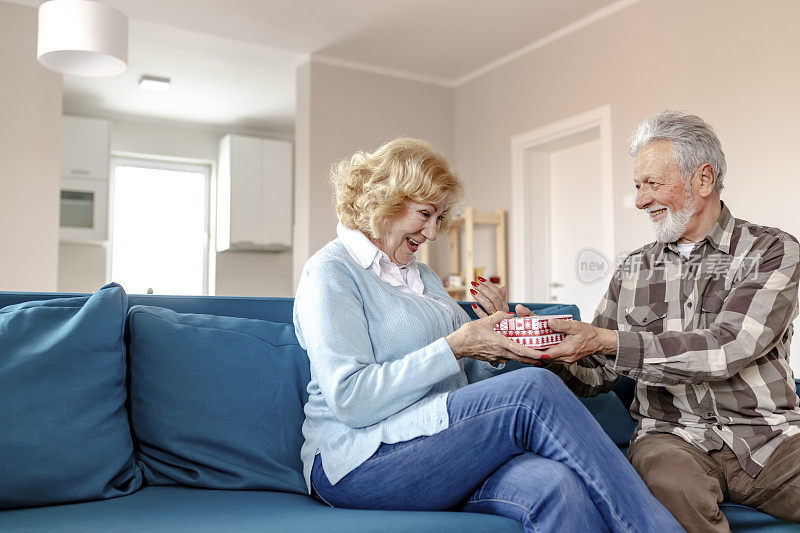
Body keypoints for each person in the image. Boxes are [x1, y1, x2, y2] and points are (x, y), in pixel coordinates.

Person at [293, 137, 682, 532]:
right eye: (425, 214)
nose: (432, 232)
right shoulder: (331, 272)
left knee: (555, 485)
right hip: (359, 460)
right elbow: (350, 399)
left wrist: (498, 344)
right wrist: (457, 344)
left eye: (440, 218)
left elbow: (458, 383)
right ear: (384, 200)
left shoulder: (421, 275)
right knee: (533, 391)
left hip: (440, 442)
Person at [528, 111, 800, 531]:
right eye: (637, 186)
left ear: (703, 180)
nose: (639, 201)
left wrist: (611, 342)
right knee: (670, 481)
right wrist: (542, 348)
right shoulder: (632, 269)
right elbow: (595, 373)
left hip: (768, 437)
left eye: (652, 184)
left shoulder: (772, 251)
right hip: (669, 437)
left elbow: (730, 345)